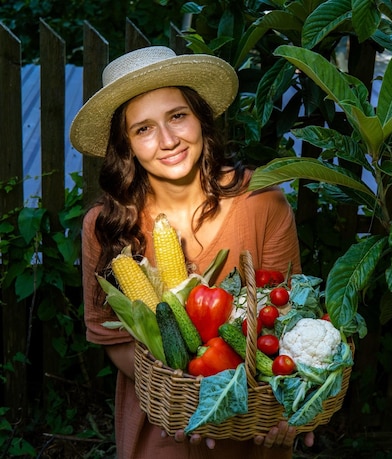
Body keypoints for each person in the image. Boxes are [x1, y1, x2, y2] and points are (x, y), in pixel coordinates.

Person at [71, 46, 314, 458]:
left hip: (252, 425)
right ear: (126, 145)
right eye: (143, 129)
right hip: (165, 424)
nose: (167, 141)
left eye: (177, 116)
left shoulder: (262, 201)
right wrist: (187, 396)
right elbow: (109, 337)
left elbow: (290, 318)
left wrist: (297, 402)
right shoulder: (105, 225)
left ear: (201, 117)